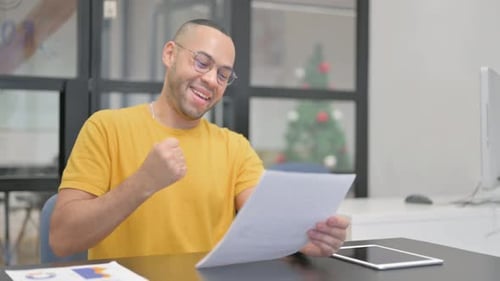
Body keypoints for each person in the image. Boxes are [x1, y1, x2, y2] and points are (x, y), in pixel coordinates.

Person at [50, 18, 350, 260]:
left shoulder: (234, 147)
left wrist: (305, 242)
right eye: (202, 62)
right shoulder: (106, 128)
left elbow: (268, 227)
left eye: (223, 74)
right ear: (170, 54)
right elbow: (63, 239)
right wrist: (143, 183)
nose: (210, 80)